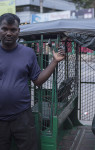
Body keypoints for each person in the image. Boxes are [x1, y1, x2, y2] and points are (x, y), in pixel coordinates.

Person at [0, 13, 65, 150]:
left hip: (22, 116)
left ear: (18, 31)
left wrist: (54, 61)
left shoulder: (28, 53)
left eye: (13, 30)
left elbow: (37, 80)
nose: (9, 33)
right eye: (4, 29)